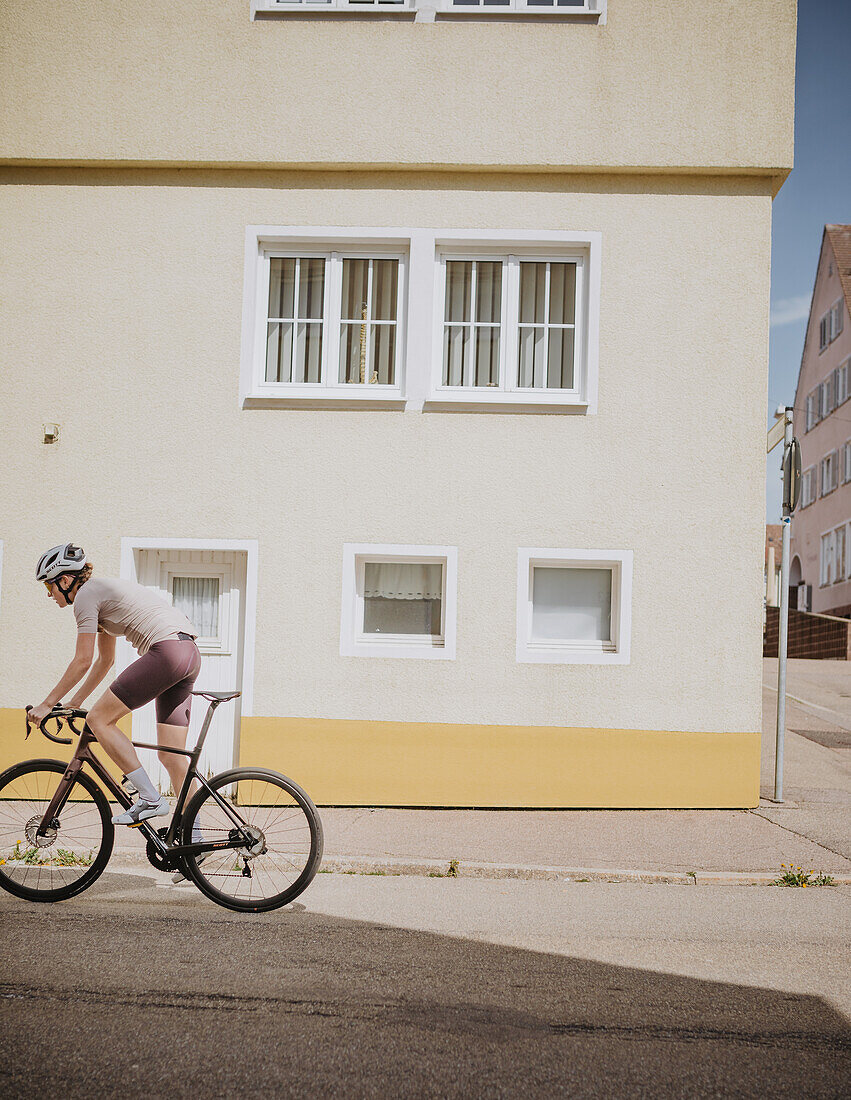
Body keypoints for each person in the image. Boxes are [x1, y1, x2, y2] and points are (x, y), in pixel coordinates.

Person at [28, 543, 203, 833]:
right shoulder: (99, 594)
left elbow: (82, 660)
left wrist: (47, 703)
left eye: (50, 587)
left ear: (66, 580)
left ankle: (149, 799)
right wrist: (75, 701)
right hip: (188, 653)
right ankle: (195, 840)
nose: (50, 595)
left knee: (99, 720)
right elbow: (104, 660)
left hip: (167, 652)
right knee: (172, 756)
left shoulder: (86, 595)